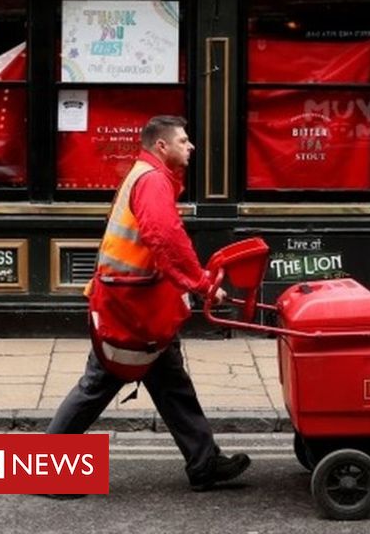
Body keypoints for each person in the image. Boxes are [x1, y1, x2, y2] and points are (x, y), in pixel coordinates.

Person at [46, 115, 250, 495]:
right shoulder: (153, 181)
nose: (191, 147)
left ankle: (204, 463)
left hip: (141, 305)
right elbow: (166, 239)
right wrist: (204, 284)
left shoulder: (146, 175)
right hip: (130, 310)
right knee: (97, 384)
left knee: (172, 384)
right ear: (162, 146)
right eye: (184, 141)